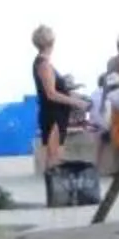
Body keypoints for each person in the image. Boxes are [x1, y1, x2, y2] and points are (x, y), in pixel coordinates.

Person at [31, 25, 84, 171]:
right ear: (51, 42)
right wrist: (77, 102)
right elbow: (51, 93)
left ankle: (53, 189)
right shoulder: (44, 64)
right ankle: (54, 191)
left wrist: (72, 95)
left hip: (56, 114)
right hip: (53, 115)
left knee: (54, 156)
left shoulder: (43, 63)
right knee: (54, 158)